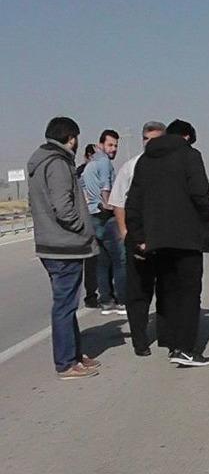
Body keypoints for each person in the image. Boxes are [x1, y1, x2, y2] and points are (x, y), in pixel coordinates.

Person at [126, 119, 209, 367]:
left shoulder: (145, 161)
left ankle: (170, 340)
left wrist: (139, 238)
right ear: (187, 137)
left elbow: (133, 202)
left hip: (157, 240)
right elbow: (200, 194)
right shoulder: (190, 156)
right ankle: (185, 348)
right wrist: (205, 229)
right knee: (188, 293)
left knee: (167, 291)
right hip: (186, 238)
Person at [27, 117, 101, 379]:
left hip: (51, 243)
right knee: (64, 306)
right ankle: (66, 363)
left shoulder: (40, 160)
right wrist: (84, 229)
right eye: (76, 138)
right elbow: (63, 207)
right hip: (64, 246)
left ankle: (74, 354)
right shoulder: (58, 163)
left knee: (67, 304)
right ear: (70, 137)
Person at [108, 121, 165, 356]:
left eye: (155, 139)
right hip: (138, 239)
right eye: (146, 139)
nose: (149, 143)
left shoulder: (170, 167)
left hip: (165, 238)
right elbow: (118, 202)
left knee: (168, 288)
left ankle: (168, 332)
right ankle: (140, 341)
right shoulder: (131, 167)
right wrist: (124, 232)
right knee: (139, 292)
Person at [81, 129, 126, 316]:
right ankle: (122, 299)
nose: (113, 149)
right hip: (103, 215)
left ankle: (106, 300)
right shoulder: (104, 163)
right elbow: (105, 188)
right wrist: (109, 205)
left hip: (92, 215)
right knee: (119, 259)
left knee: (102, 261)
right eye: (110, 145)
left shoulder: (89, 165)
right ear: (101, 145)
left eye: (116, 145)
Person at [77, 143, 99, 308]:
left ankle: (93, 295)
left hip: (88, 217)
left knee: (94, 260)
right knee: (93, 260)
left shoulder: (81, 171)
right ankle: (92, 295)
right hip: (90, 217)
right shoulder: (82, 172)